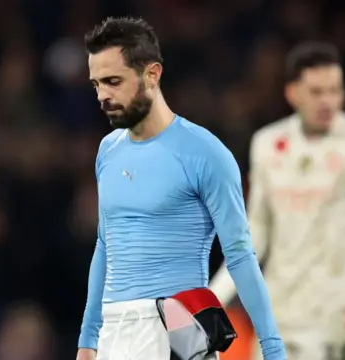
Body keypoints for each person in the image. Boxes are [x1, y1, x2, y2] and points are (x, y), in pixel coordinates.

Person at [76, 17, 286, 360]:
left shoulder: (205, 153)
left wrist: (273, 349)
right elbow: (105, 245)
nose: (103, 96)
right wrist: (88, 340)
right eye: (96, 84)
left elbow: (239, 255)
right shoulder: (108, 151)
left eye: (113, 82)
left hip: (179, 328)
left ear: (151, 74)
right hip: (115, 333)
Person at [209, 41, 345, 360]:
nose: (328, 101)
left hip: (339, 319)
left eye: (334, 90)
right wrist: (214, 296)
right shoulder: (267, 146)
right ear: (292, 93)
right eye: (316, 91)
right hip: (281, 316)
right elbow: (255, 234)